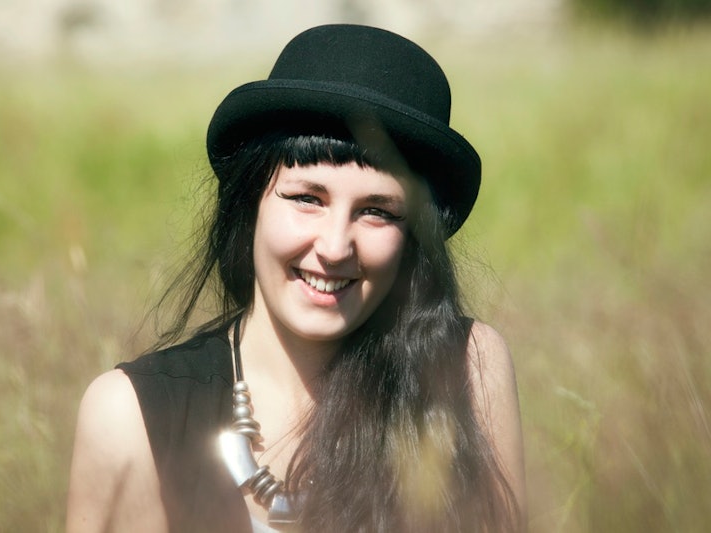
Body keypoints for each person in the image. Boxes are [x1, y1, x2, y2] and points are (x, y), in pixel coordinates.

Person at [66, 23, 525, 533]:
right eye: (307, 198)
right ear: (250, 203)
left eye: (377, 211)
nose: (333, 247)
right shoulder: (130, 415)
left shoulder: (465, 369)